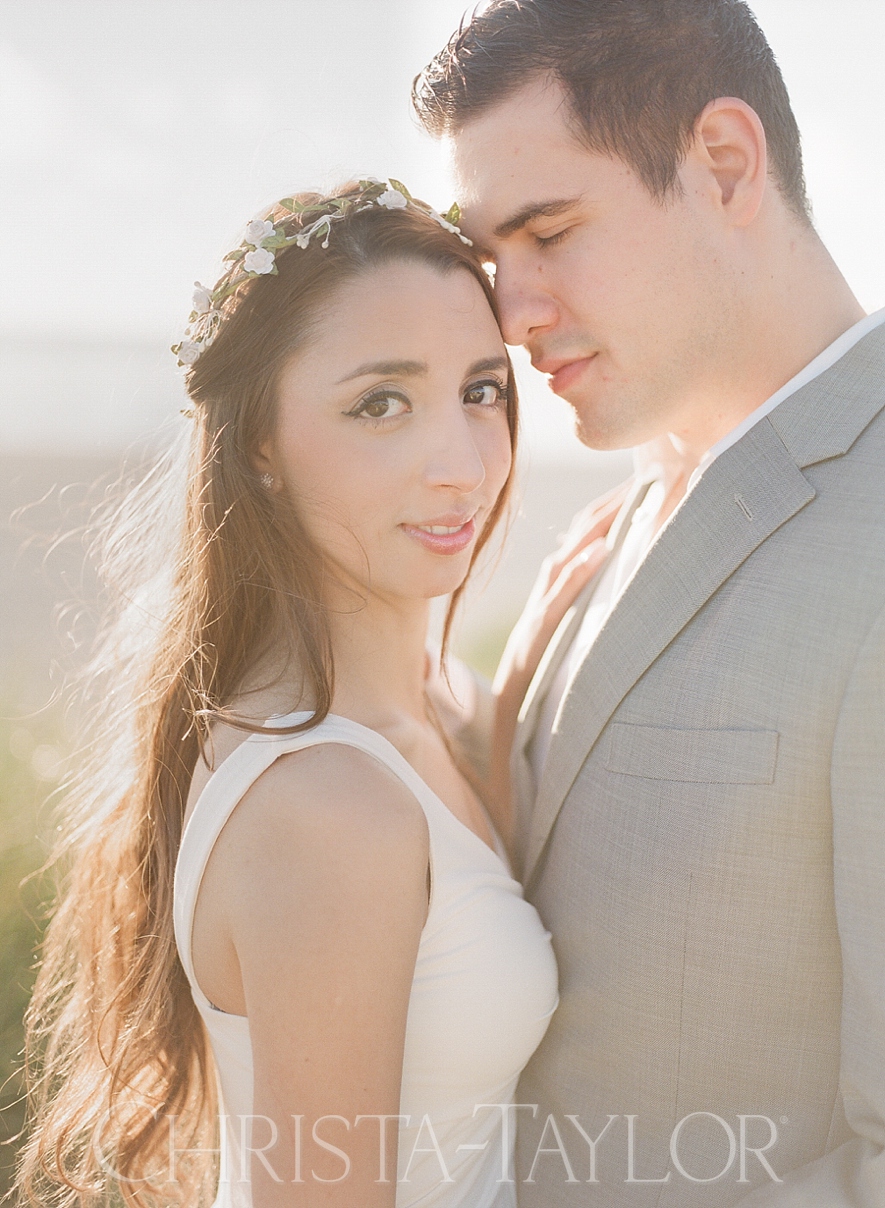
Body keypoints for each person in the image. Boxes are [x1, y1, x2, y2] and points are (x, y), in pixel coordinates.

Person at [413, 1, 885, 1205]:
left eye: (551, 230)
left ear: (724, 163)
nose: (511, 316)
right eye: (492, 259)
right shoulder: (608, 520)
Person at [14, 181, 562, 1208]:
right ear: (260, 446)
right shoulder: (326, 801)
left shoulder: (436, 712)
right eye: (381, 403)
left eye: (482, 390)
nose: (462, 464)